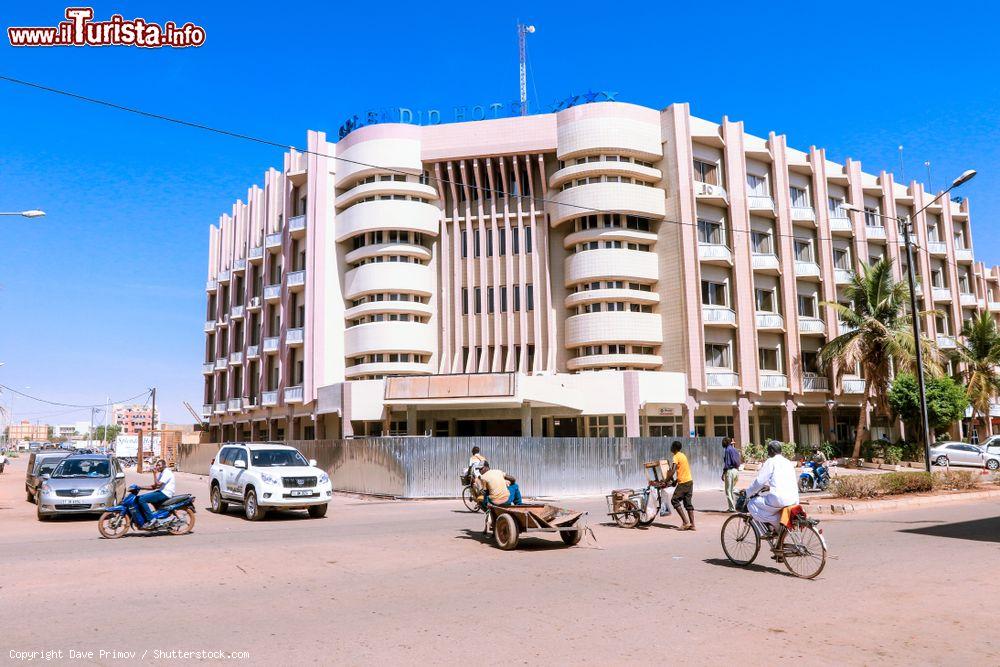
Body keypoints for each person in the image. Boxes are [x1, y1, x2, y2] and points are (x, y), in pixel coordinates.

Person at [745, 440, 799, 534]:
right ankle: (780, 529)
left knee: (752, 503)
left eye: (768, 450)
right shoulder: (787, 462)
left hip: (780, 499)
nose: (767, 453)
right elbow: (784, 480)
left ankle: (777, 525)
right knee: (770, 505)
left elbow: (759, 481)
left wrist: (747, 492)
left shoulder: (771, 461)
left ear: (772, 451)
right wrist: (770, 488)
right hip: (794, 499)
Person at [138, 459, 176, 525]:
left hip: (165, 493)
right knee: (141, 497)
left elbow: (158, 484)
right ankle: (158, 517)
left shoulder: (166, 472)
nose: (157, 467)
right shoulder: (162, 473)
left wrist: (154, 474)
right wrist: (139, 487)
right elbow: (154, 486)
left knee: (142, 499)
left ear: (164, 466)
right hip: (162, 491)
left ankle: (151, 519)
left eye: (159, 465)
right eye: (157, 465)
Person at [668, 441, 695, 531]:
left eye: (671, 446)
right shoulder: (683, 455)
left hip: (683, 483)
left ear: (674, 448)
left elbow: (672, 471)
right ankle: (692, 525)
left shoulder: (675, 456)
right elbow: (682, 471)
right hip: (689, 481)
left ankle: (685, 522)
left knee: (674, 500)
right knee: (688, 503)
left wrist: (666, 480)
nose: (671, 448)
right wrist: (675, 481)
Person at [721, 437, 741, 512]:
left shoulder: (727, 450)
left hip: (730, 471)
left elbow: (727, 463)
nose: (722, 443)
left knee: (728, 490)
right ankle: (737, 501)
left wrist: (723, 473)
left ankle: (732, 508)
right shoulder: (734, 449)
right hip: (736, 471)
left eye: (723, 442)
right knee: (732, 489)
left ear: (726, 442)